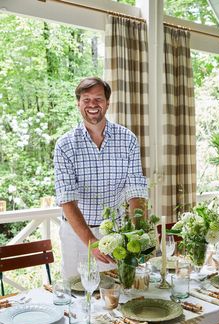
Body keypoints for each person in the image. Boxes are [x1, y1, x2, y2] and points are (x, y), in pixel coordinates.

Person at [54, 77, 148, 280]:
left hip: (114, 233)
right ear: (78, 103)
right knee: (77, 294)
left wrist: (139, 233)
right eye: (86, 99)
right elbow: (67, 200)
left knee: (111, 294)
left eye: (98, 99)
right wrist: (92, 242)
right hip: (76, 236)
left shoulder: (128, 139)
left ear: (107, 103)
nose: (92, 105)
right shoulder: (65, 145)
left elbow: (136, 192)